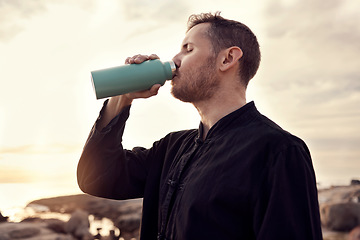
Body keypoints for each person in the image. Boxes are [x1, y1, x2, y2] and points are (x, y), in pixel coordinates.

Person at [77, 12, 323, 240]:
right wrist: (122, 98)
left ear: (227, 58)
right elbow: (97, 177)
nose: (175, 59)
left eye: (188, 49)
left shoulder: (279, 151)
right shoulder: (171, 149)